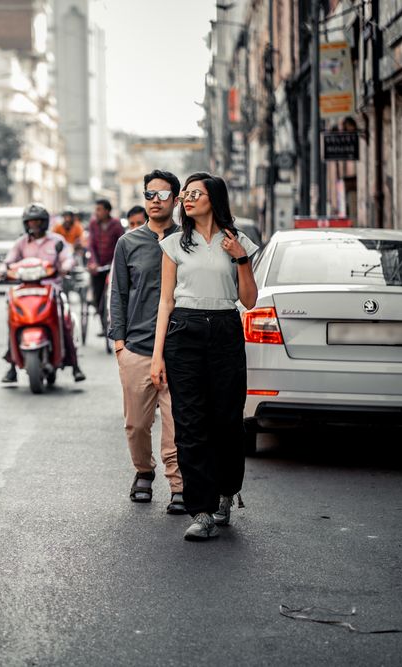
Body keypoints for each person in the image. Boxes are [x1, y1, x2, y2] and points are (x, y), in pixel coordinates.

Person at [150, 172, 260, 541]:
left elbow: (249, 301)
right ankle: (201, 509)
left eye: (194, 193)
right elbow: (165, 302)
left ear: (214, 197)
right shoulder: (175, 244)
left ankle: (226, 493)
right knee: (190, 422)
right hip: (184, 331)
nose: (187, 199)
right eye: (185, 195)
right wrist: (157, 356)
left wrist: (241, 259)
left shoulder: (238, 241)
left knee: (227, 420)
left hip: (226, 330)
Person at [109, 170, 184, 514]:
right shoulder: (128, 243)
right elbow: (119, 294)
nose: (155, 201)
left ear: (176, 199)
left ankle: (178, 484)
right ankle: (143, 471)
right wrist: (120, 343)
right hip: (137, 347)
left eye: (163, 194)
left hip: (179, 348)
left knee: (177, 422)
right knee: (137, 423)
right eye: (149, 194)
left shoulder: (187, 241)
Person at [0, 203, 86, 383]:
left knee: (65, 321)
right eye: (30, 222)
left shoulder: (56, 241)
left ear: (44, 222)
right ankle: (12, 365)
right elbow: (9, 261)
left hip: (51, 288)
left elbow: (67, 258)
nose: (34, 225)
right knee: (13, 319)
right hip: (25, 289)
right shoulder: (21, 242)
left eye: (37, 221)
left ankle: (75, 365)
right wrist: (1, 270)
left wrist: (65, 268)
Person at [87, 199, 124, 335]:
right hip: (97, 267)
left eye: (99, 209)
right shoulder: (93, 224)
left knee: (110, 296)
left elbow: (121, 245)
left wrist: (116, 263)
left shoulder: (116, 225)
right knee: (97, 295)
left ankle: (112, 322)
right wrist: (93, 262)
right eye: (96, 209)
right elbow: (91, 245)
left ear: (107, 211)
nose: (96, 212)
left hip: (112, 265)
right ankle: (103, 325)